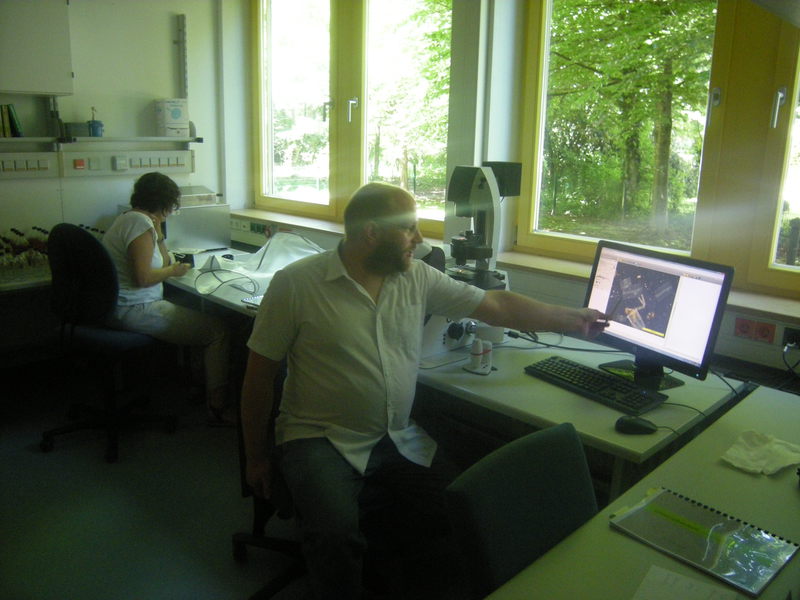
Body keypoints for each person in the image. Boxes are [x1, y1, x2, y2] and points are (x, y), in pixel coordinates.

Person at [240, 182, 607, 599]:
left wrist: (574, 319)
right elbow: (258, 377)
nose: (419, 239)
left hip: (394, 435)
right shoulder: (297, 284)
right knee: (335, 535)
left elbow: (497, 305)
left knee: (460, 508)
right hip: (319, 438)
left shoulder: (415, 277)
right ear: (371, 232)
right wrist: (256, 458)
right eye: (409, 228)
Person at [103, 172, 232, 423]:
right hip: (136, 308)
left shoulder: (132, 219)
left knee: (199, 312)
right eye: (171, 207)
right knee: (219, 331)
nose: (171, 212)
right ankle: (217, 407)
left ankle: (198, 385)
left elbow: (161, 260)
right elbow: (143, 277)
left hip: (120, 306)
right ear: (164, 204)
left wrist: (159, 230)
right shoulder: (138, 224)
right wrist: (174, 271)